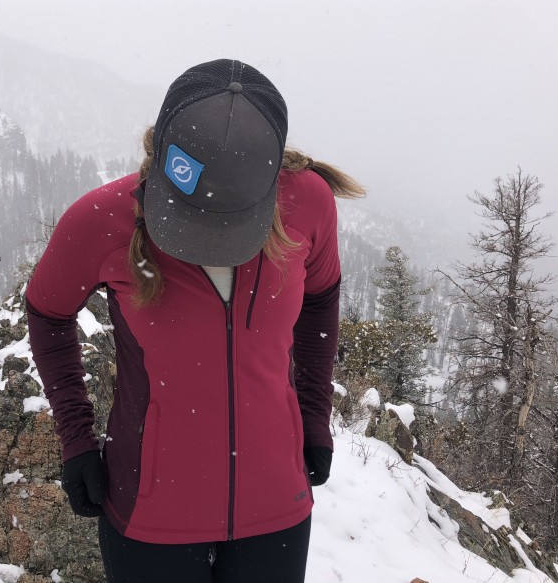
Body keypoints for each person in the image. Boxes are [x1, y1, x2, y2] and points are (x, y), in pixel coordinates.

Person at [26, 59, 364, 583]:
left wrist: (314, 417)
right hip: (149, 509)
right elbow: (48, 312)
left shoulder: (308, 203)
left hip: (275, 503)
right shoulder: (101, 221)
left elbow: (321, 299)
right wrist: (75, 438)